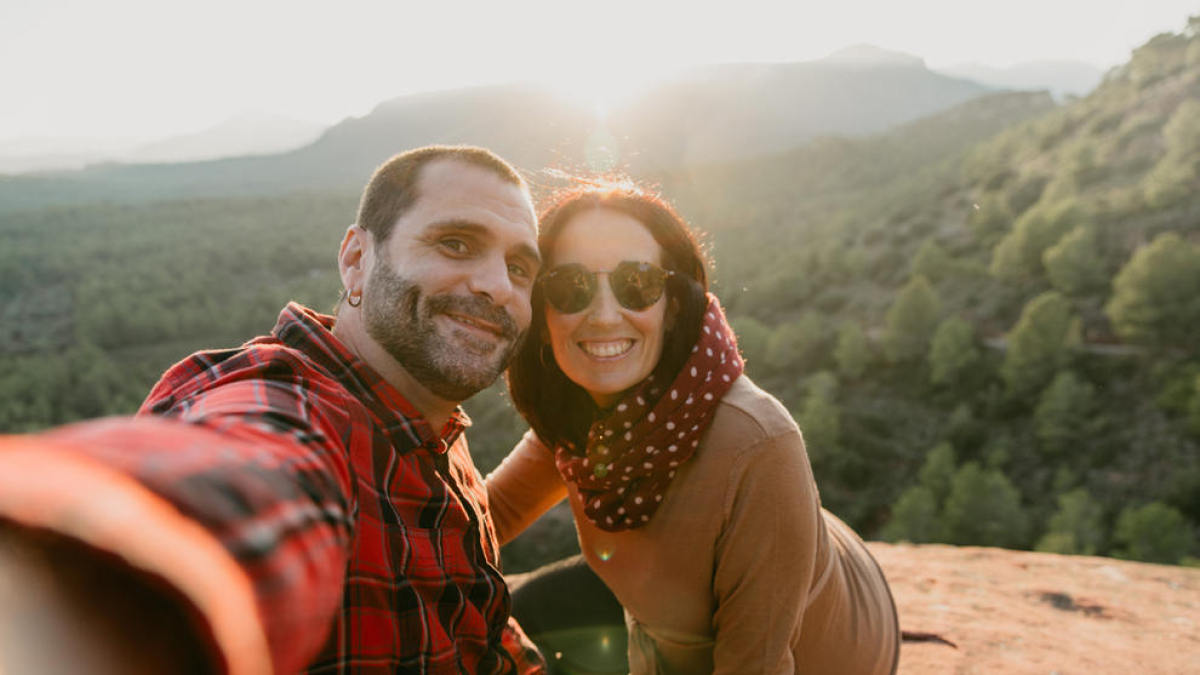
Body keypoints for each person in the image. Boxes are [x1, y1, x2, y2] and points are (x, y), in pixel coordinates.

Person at [0, 145, 548, 675]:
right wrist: (69, 578)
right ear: (357, 260)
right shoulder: (294, 414)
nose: (498, 286)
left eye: (520, 267)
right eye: (455, 243)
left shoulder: (427, 417)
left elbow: (457, 585)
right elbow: (229, 491)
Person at [486, 179, 900, 675]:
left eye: (637, 283)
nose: (604, 315)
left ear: (674, 305)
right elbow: (489, 516)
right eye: (569, 286)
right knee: (513, 611)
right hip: (671, 608)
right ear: (542, 312)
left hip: (836, 647)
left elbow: (757, 667)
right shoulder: (577, 417)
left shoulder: (758, 444)